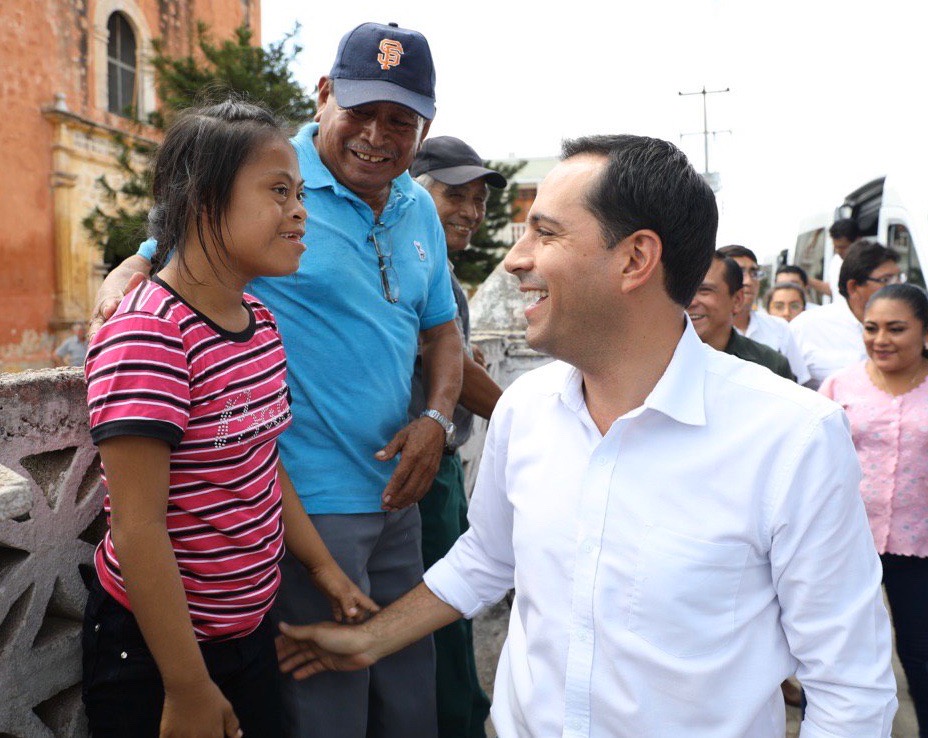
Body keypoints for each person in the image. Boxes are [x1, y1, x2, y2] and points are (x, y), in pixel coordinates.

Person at [277, 134, 897, 738]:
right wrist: (369, 640)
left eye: (545, 233)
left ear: (635, 259)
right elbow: (487, 558)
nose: (515, 259)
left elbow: (850, 690)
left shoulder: (792, 438)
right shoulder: (524, 410)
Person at [89, 22, 463, 738]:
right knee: (329, 709)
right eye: (362, 111)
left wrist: (437, 418)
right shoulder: (251, 168)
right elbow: (139, 525)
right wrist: (127, 275)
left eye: (401, 121)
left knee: (409, 693)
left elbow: (440, 330)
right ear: (323, 95)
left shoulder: (407, 207)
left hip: (380, 503)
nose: (378, 136)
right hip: (294, 524)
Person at [82, 99, 377, 738]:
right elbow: (137, 527)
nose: (300, 211)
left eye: (299, 193)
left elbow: (261, 461)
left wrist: (324, 569)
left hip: (247, 631)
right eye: (278, 191)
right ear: (204, 200)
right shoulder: (149, 335)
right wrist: (188, 686)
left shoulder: (260, 324)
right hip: (159, 652)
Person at [409, 136, 506, 738]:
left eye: (479, 201)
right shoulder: (414, 260)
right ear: (416, 195)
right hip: (418, 469)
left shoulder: (438, 268)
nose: (470, 212)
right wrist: (522, 414)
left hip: (441, 468)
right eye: (455, 196)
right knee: (440, 613)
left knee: (453, 609)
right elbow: (451, 367)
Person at [820, 282, 928, 737]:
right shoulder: (839, 385)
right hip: (847, 544)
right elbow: (816, 462)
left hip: (919, 548)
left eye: (896, 329)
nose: (880, 339)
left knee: (920, 653)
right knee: (838, 652)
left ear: (924, 332)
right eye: (871, 328)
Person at [790, 239, 901, 389]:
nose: (898, 286)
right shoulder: (805, 327)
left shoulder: (910, 327)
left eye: (899, 278)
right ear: (853, 287)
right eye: (886, 280)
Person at [688, 252, 794, 379]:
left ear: (737, 300)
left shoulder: (770, 365)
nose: (690, 302)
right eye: (682, 291)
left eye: (704, 291)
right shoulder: (666, 361)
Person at [716, 245, 810, 384]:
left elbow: (799, 382)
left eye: (754, 273)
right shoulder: (705, 329)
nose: (748, 281)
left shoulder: (779, 327)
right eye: (739, 272)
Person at [808, 218, 860, 302]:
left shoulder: (870, 264)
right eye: (836, 247)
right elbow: (834, 290)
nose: (838, 251)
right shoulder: (836, 261)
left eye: (843, 247)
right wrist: (805, 279)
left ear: (857, 241)